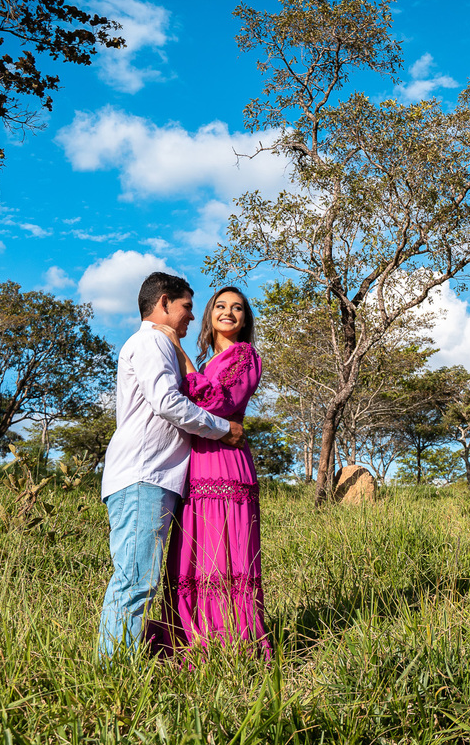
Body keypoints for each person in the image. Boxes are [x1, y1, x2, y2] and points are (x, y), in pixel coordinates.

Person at [99, 273, 245, 660]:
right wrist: (222, 429)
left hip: (153, 477)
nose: (191, 317)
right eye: (187, 307)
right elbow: (168, 402)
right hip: (144, 476)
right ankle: (114, 673)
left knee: (140, 579)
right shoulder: (152, 341)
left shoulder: (161, 344)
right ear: (164, 303)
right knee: (135, 582)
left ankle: (120, 665)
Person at [148, 286, 271, 657]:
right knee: (194, 552)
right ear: (209, 314)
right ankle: (193, 634)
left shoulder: (246, 356)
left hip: (227, 463)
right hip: (197, 463)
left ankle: (231, 639)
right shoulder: (208, 364)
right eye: (221, 306)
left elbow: (217, 402)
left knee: (225, 552)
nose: (228, 312)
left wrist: (181, 354)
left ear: (245, 319)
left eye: (237, 308)